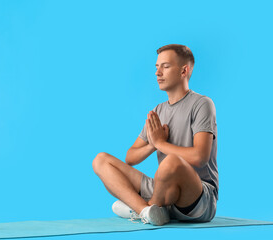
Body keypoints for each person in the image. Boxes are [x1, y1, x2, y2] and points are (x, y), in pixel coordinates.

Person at [92, 44, 218, 226]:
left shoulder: (202, 104)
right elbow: (130, 157)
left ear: (184, 71)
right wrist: (152, 144)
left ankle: (142, 207)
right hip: (164, 189)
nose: (158, 73)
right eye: (157, 67)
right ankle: (147, 211)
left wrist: (160, 144)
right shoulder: (158, 111)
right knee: (101, 160)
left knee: (171, 161)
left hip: (199, 199)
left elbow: (200, 157)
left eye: (165, 66)